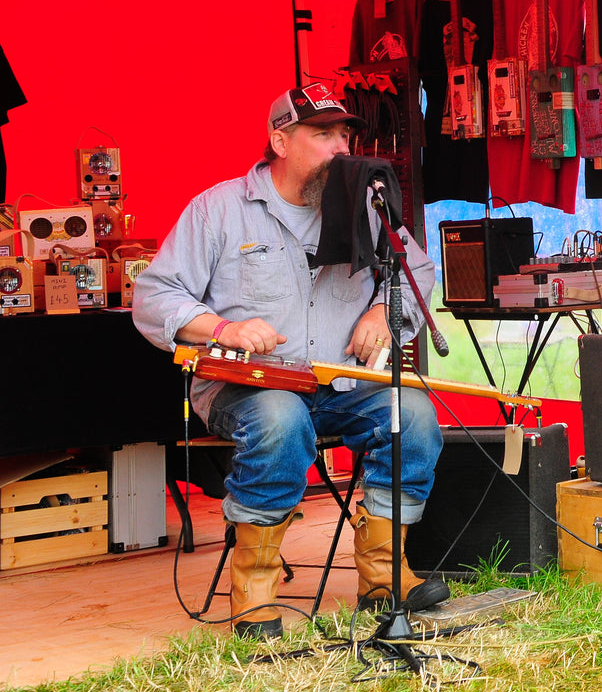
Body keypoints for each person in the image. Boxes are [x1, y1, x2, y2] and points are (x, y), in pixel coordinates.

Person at [133, 83, 448, 638]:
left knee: (414, 415)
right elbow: (153, 297)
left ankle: (382, 580)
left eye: (345, 133)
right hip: (248, 390)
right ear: (280, 140)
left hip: (343, 386)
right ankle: (254, 590)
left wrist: (382, 313)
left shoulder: (363, 207)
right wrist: (225, 327)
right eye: (322, 134)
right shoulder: (219, 210)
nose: (340, 146)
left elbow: (417, 273)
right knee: (281, 421)